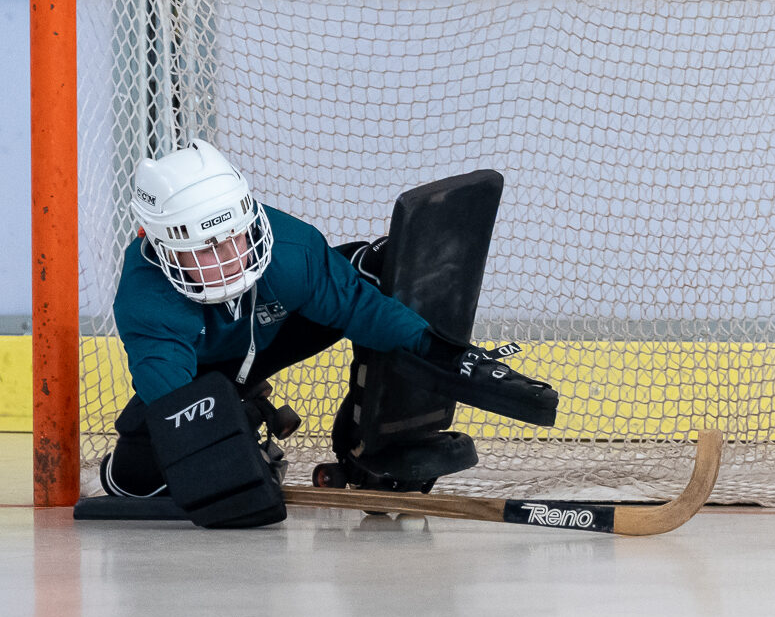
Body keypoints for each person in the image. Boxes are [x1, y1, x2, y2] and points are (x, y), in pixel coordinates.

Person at [103, 139, 555, 527]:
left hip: (271, 335)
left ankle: (375, 442)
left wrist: (446, 354)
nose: (231, 257)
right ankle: (240, 408)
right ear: (161, 244)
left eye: (236, 234)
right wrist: (231, 459)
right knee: (131, 482)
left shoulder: (289, 250)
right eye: (207, 247)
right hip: (203, 374)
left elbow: (362, 309)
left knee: (366, 276)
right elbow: (180, 409)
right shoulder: (147, 302)